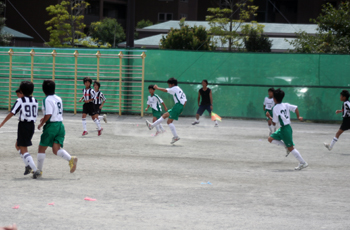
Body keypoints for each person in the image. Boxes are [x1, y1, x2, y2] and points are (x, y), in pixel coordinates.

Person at [36, 80, 78, 177]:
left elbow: (49, 114)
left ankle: (39, 171)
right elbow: (54, 113)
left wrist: (42, 123)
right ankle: (71, 159)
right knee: (56, 149)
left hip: (51, 126)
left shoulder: (46, 99)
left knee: (41, 148)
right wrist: (46, 117)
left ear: (43, 89)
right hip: (60, 125)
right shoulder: (58, 98)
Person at [0, 81, 41, 178]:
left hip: (23, 125)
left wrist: (2, 123)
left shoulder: (20, 100)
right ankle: (28, 166)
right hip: (31, 125)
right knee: (17, 145)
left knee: (23, 149)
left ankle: (35, 169)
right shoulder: (35, 100)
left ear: (21, 90)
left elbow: (12, 113)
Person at [266, 88, 308, 170]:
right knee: (270, 138)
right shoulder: (286, 105)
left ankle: (303, 163)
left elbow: (274, 123)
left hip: (285, 130)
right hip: (284, 129)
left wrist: (269, 117)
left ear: (274, 99)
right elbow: (296, 108)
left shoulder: (275, 108)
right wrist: (298, 116)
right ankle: (286, 146)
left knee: (291, 148)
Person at [145, 77, 187, 144]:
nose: (168, 86)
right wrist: (181, 109)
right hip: (179, 106)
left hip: (178, 105)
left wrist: (157, 88)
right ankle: (152, 126)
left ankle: (175, 136)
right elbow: (185, 101)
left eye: (169, 84)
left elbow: (165, 90)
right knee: (165, 115)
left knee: (169, 122)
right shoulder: (179, 89)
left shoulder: (174, 88)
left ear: (172, 84)